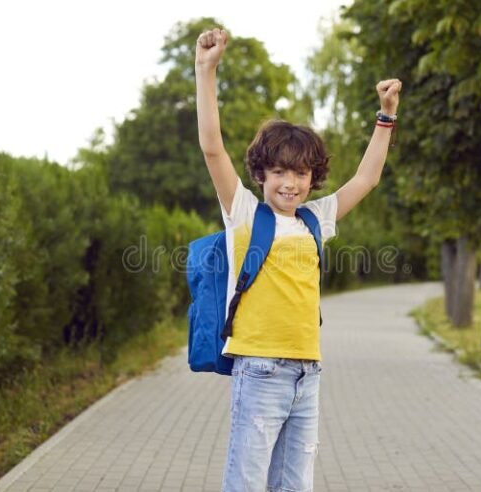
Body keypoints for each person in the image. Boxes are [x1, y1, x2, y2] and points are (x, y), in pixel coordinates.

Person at [195, 27, 401, 492]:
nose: (291, 183)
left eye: (301, 173)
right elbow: (212, 147)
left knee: (294, 486)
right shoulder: (245, 213)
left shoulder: (316, 219)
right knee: (247, 484)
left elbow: (367, 178)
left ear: (314, 178)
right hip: (260, 368)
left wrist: (385, 117)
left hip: (307, 372)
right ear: (262, 174)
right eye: (280, 172)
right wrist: (205, 71)